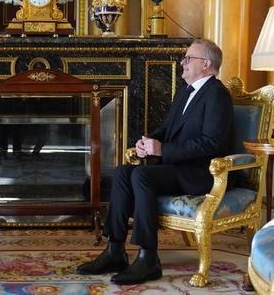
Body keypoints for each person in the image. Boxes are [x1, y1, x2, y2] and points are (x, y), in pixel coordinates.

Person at [76, 39, 233, 285]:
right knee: (122, 172)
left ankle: (148, 258)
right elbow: (167, 128)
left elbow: (212, 144)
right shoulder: (185, 92)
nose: (183, 62)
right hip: (175, 167)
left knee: (142, 175)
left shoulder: (217, 95)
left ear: (206, 64)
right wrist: (148, 142)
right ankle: (114, 250)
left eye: (188, 58)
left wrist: (164, 150)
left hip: (199, 173)